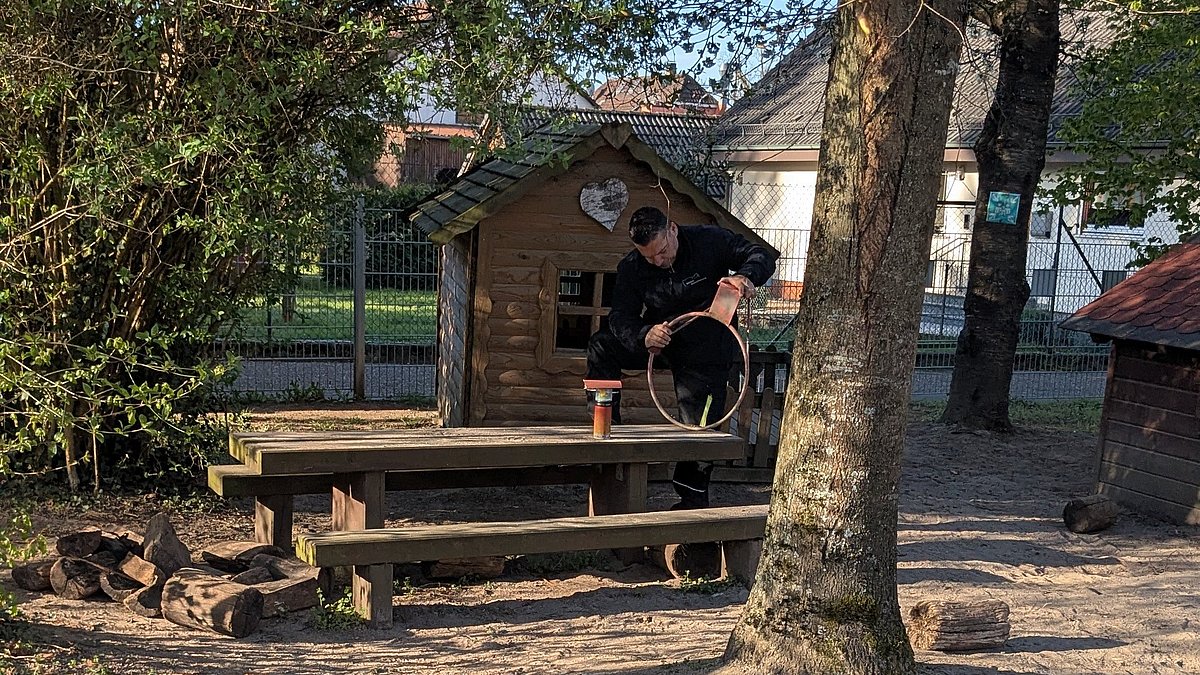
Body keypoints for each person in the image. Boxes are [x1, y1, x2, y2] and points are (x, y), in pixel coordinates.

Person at [586, 206, 777, 509]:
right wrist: (644, 335)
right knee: (601, 345)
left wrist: (745, 276)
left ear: (672, 229)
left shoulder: (709, 240)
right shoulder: (632, 267)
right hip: (661, 341)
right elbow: (620, 317)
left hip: (706, 347)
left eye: (662, 252)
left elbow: (761, 254)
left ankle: (692, 498)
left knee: (700, 424)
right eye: (649, 257)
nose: (658, 261)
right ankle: (606, 432)